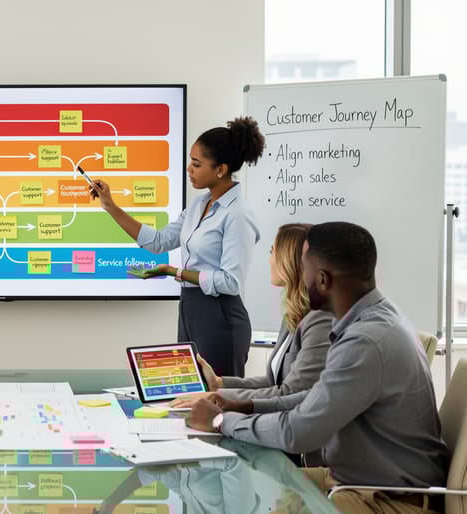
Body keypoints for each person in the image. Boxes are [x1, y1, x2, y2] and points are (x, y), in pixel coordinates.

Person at [189, 222, 448, 514]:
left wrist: (221, 421)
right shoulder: (369, 318)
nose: (300, 277)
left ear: (322, 279)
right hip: (360, 484)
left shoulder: (365, 341)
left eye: (304, 268)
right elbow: (316, 399)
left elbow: (298, 432)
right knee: (252, 480)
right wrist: (246, 406)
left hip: (387, 500)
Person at [91, 117, 264, 376]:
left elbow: (231, 282)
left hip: (220, 316)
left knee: (216, 396)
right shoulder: (198, 205)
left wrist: (175, 272)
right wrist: (110, 206)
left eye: (197, 164)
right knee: (189, 391)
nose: (188, 169)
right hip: (189, 310)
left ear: (220, 169)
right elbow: (158, 242)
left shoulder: (238, 214)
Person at [171, 223, 332, 406]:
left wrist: (219, 398)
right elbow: (274, 382)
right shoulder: (294, 314)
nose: (269, 260)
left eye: (272, 252)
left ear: (289, 260)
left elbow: (291, 393)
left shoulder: (320, 320)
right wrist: (219, 384)